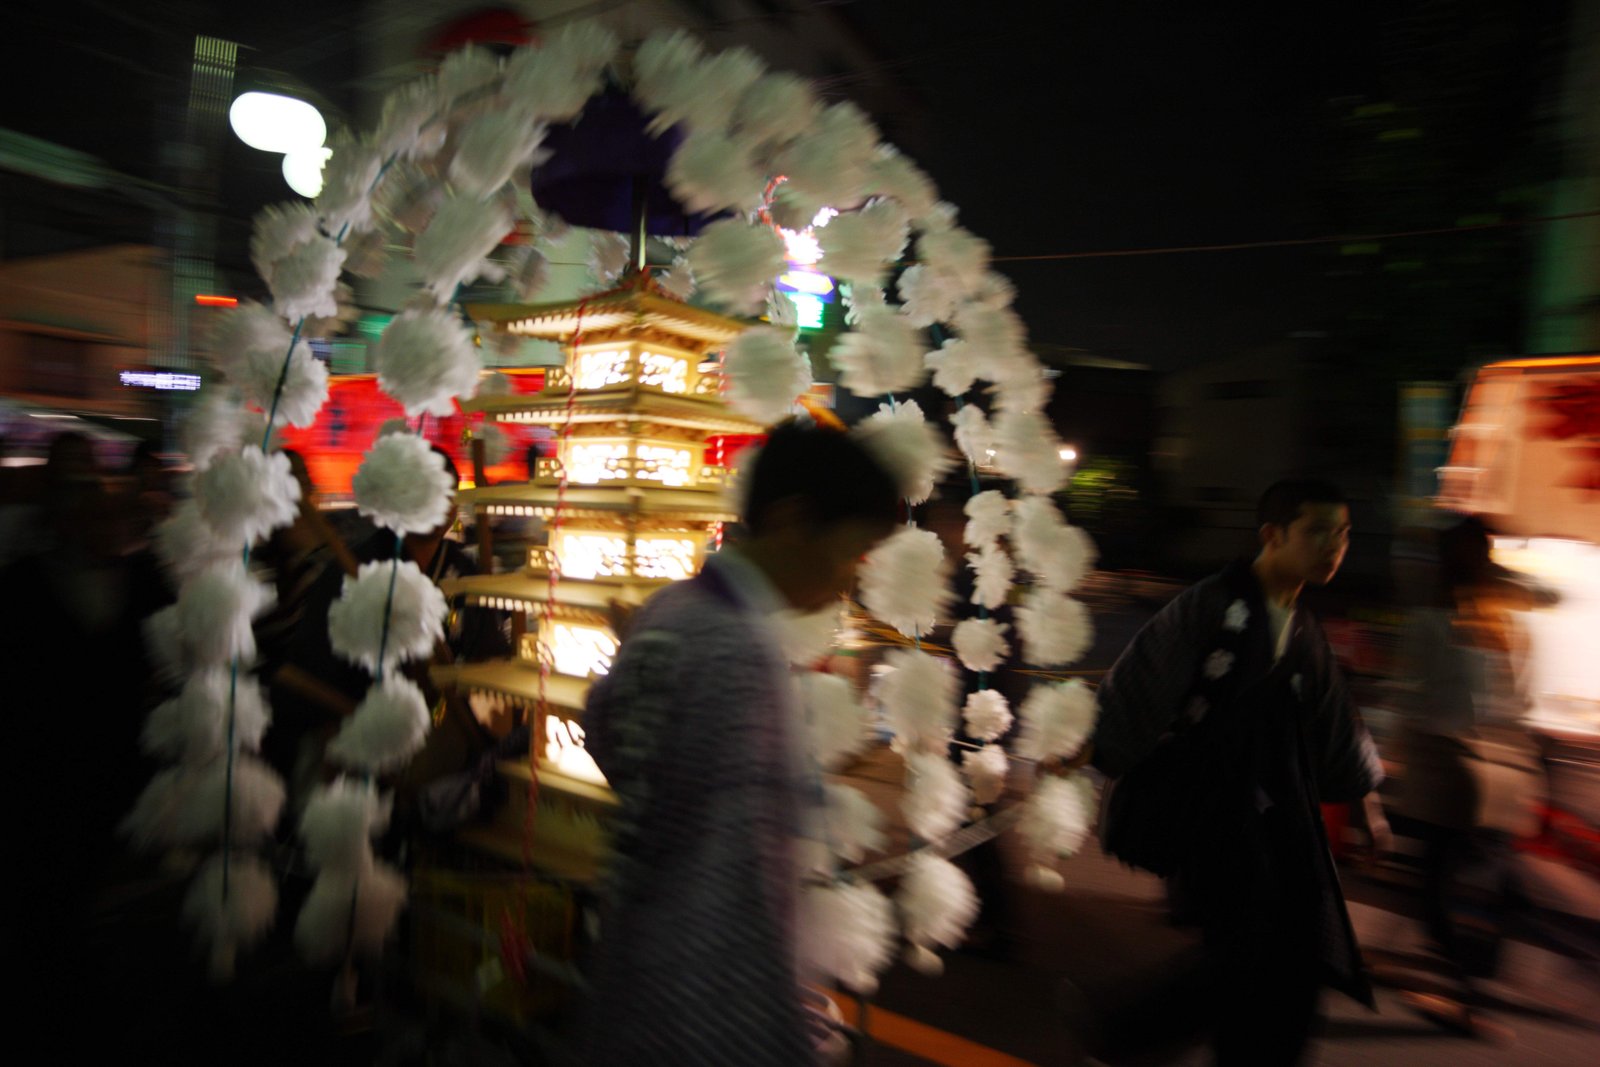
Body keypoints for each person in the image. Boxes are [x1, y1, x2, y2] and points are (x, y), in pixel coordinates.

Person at [581, 419, 900, 1065]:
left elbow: (609, 730)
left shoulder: (671, 609)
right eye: (853, 550)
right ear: (792, 520)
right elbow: (732, 883)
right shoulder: (734, 649)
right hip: (701, 1015)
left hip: (635, 974)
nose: (849, 579)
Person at [1087, 478, 1386, 1066]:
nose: (1334, 546)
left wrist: (1364, 802)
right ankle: (1119, 1032)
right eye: (1318, 532)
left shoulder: (1303, 628)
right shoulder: (1211, 604)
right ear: (1272, 535)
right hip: (1205, 813)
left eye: (1343, 534)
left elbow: (1335, 722)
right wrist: (1089, 745)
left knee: (1289, 956)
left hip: (1270, 817)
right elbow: (1141, 680)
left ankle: (1151, 1038)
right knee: (1248, 950)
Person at [1390, 514, 1544, 1039]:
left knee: (1433, 880)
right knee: (1490, 878)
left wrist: (1394, 752)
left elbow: (1412, 698)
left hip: (1449, 767)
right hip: (1504, 771)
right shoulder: (1509, 623)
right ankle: (1474, 983)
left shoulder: (1431, 622)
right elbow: (1521, 701)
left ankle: (1463, 991)